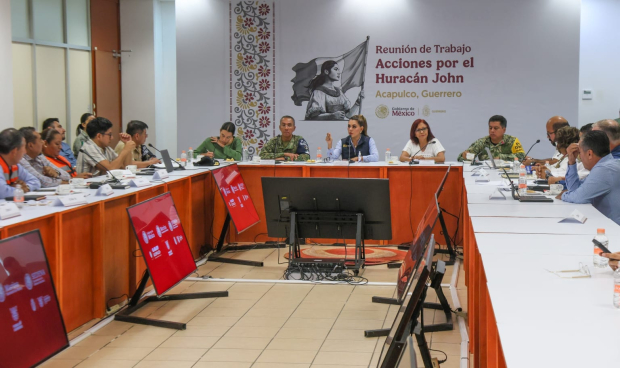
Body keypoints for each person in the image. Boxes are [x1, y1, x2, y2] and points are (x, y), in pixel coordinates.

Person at [559, 130, 620, 225]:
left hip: (613, 231)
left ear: (590, 154)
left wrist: (563, 195)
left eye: (579, 153)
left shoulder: (604, 169)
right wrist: (572, 161)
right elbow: (575, 189)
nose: (579, 157)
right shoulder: (606, 165)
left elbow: (578, 197)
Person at [458, 115, 525, 162]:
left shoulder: (512, 141)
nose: (492, 131)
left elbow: (522, 157)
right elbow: (461, 158)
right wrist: (465, 156)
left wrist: (500, 158)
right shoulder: (482, 142)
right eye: (490, 128)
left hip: (508, 173)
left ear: (504, 130)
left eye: (496, 128)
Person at [0, 128, 40, 197]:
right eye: (24, 147)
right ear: (15, 151)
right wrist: (19, 190)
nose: (25, 152)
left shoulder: (15, 166)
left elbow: (36, 181)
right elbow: (2, 192)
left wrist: (26, 187)